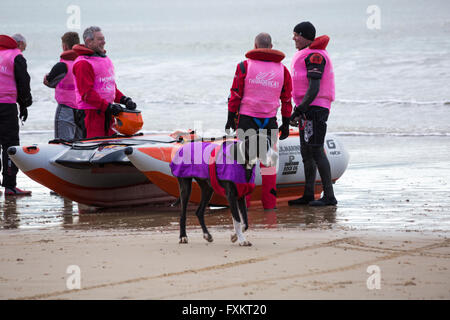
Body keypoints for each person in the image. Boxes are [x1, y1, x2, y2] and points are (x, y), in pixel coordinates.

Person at [226, 32, 293, 210]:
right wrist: (285, 124)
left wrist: (229, 118)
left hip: (247, 121)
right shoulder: (283, 70)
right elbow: (287, 100)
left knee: (245, 164)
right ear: (271, 47)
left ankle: (244, 205)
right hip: (269, 122)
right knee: (269, 164)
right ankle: (270, 206)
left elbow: (235, 95)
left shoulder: (244, 66)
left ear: (255, 46)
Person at [288, 21, 337, 206]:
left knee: (316, 149)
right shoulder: (305, 54)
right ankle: (308, 194)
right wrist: (299, 109)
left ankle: (329, 197)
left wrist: (299, 110)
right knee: (306, 151)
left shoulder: (315, 56)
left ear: (305, 36)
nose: (293, 38)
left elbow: (314, 88)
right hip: (306, 108)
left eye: (296, 35)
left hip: (315, 108)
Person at [72, 26, 137, 138]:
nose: (104, 42)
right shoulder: (83, 63)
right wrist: (109, 107)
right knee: (94, 148)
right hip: (91, 115)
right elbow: (87, 94)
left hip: (107, 113)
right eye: (100, 39)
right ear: (89, 41)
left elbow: (110, 87)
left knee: (109, 146)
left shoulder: (104, 60)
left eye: (103, 38)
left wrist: (125, 100)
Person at [0, 34, 32, 195]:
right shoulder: (15, 56)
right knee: (10, 146)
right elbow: (23, 82)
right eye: (24, 47)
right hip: (6, 107)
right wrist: (25, 104)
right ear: (19, 44)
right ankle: (9, 186)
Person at [43, 32, 84, 141]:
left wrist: (46, 79)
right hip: (81, 110)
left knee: (63, 144)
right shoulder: (83, 63)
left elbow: (49, 82)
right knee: (80, 143)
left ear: (64, 46)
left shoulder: (62, 66)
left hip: (66, 109)